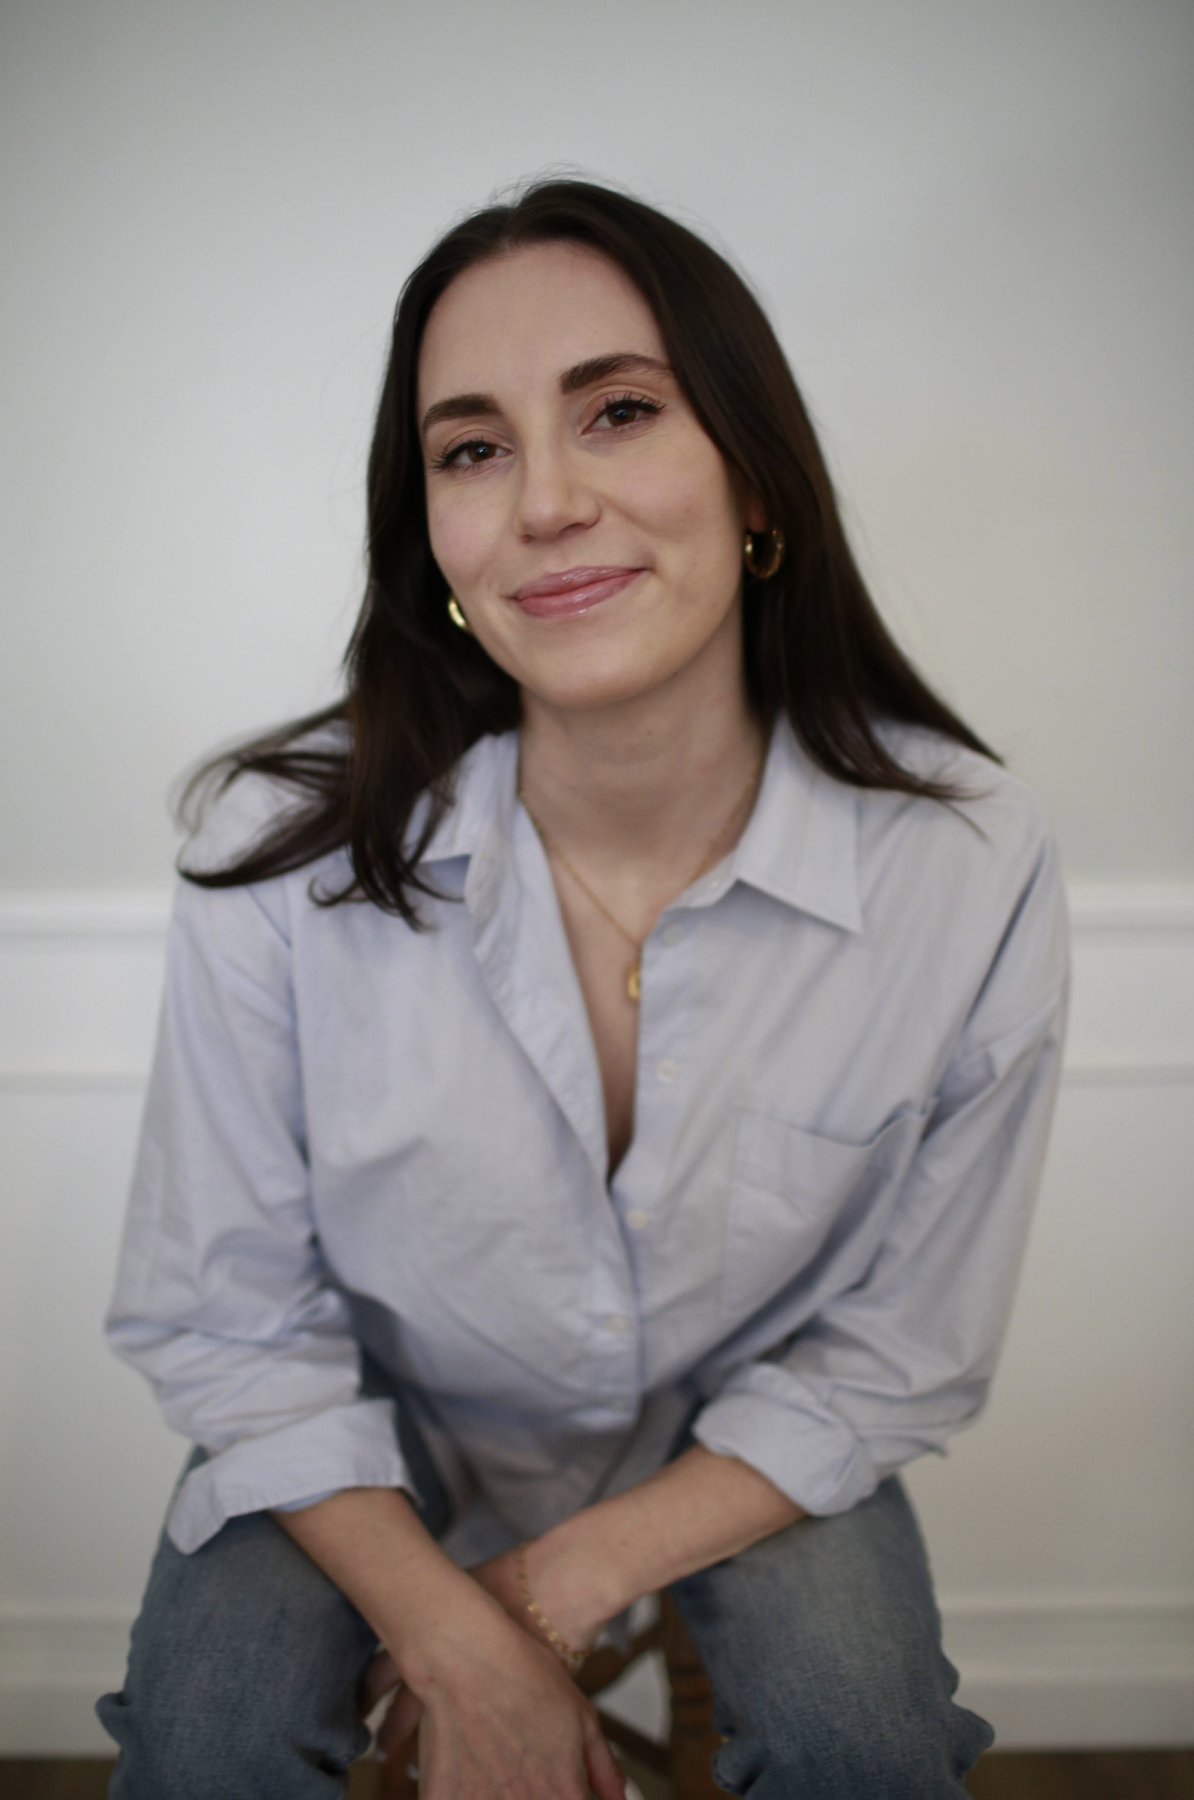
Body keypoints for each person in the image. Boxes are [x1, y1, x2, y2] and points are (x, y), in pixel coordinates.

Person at [97, 178, 1069, 1799]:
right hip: (363, 1429)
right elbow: (229, 1322)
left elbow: (898, 1349)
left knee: (863, 1745)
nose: (545, 500)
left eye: (618, 412)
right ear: (438, 540)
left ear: (756, 483)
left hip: (742, 1435)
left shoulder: (964, 860)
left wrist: (535, 1601)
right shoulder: (280, 859)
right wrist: (450, 1640)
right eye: (472, 447)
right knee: (200, 1745)